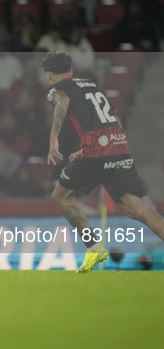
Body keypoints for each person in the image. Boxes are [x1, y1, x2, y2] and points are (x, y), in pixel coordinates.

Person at [43, 52, 164, 273]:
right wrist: (92, 147)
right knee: (137, 209)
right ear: (70, 71)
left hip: (99, 150)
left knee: (60, 195)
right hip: (118, 145)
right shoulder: (92, 85)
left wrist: (53, 137)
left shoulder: (56, 89)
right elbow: (112, 118)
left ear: (49, 75)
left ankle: (93, 247)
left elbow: (63, 101)